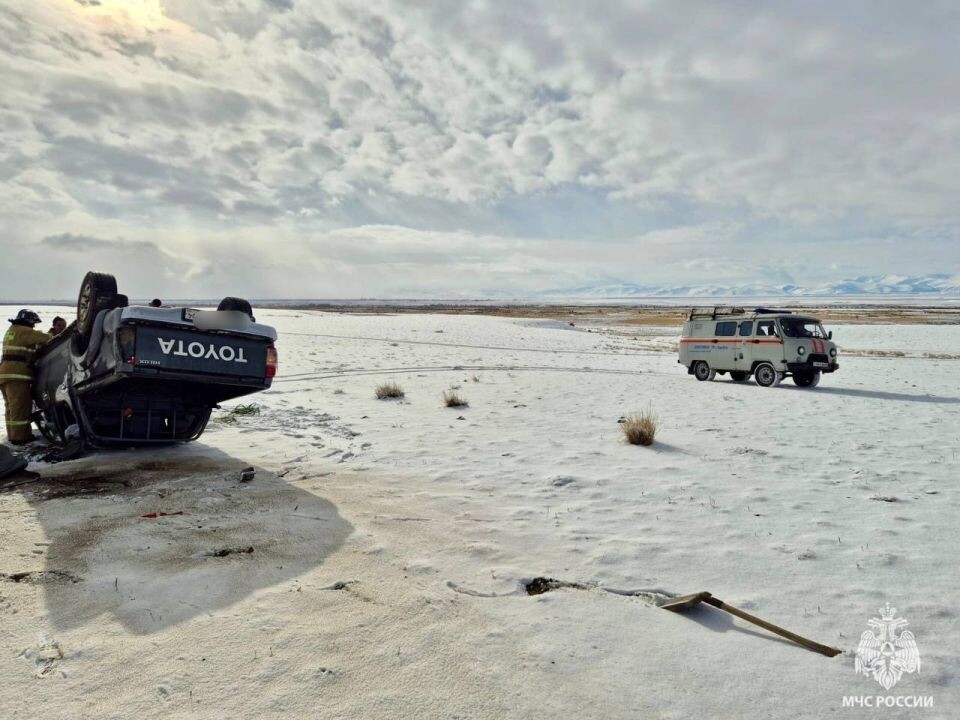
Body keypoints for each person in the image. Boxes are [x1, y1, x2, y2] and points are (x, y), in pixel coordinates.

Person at [0, 310, 51, 445]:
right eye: (33, 323)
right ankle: (21, 438)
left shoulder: (12, 330)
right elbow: (46, 338)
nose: (33, 326)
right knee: (20, 407)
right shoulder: (24, 331)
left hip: (5, 373)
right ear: (29, 321)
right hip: (17, 375)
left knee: (11, 408)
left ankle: (13, 435)